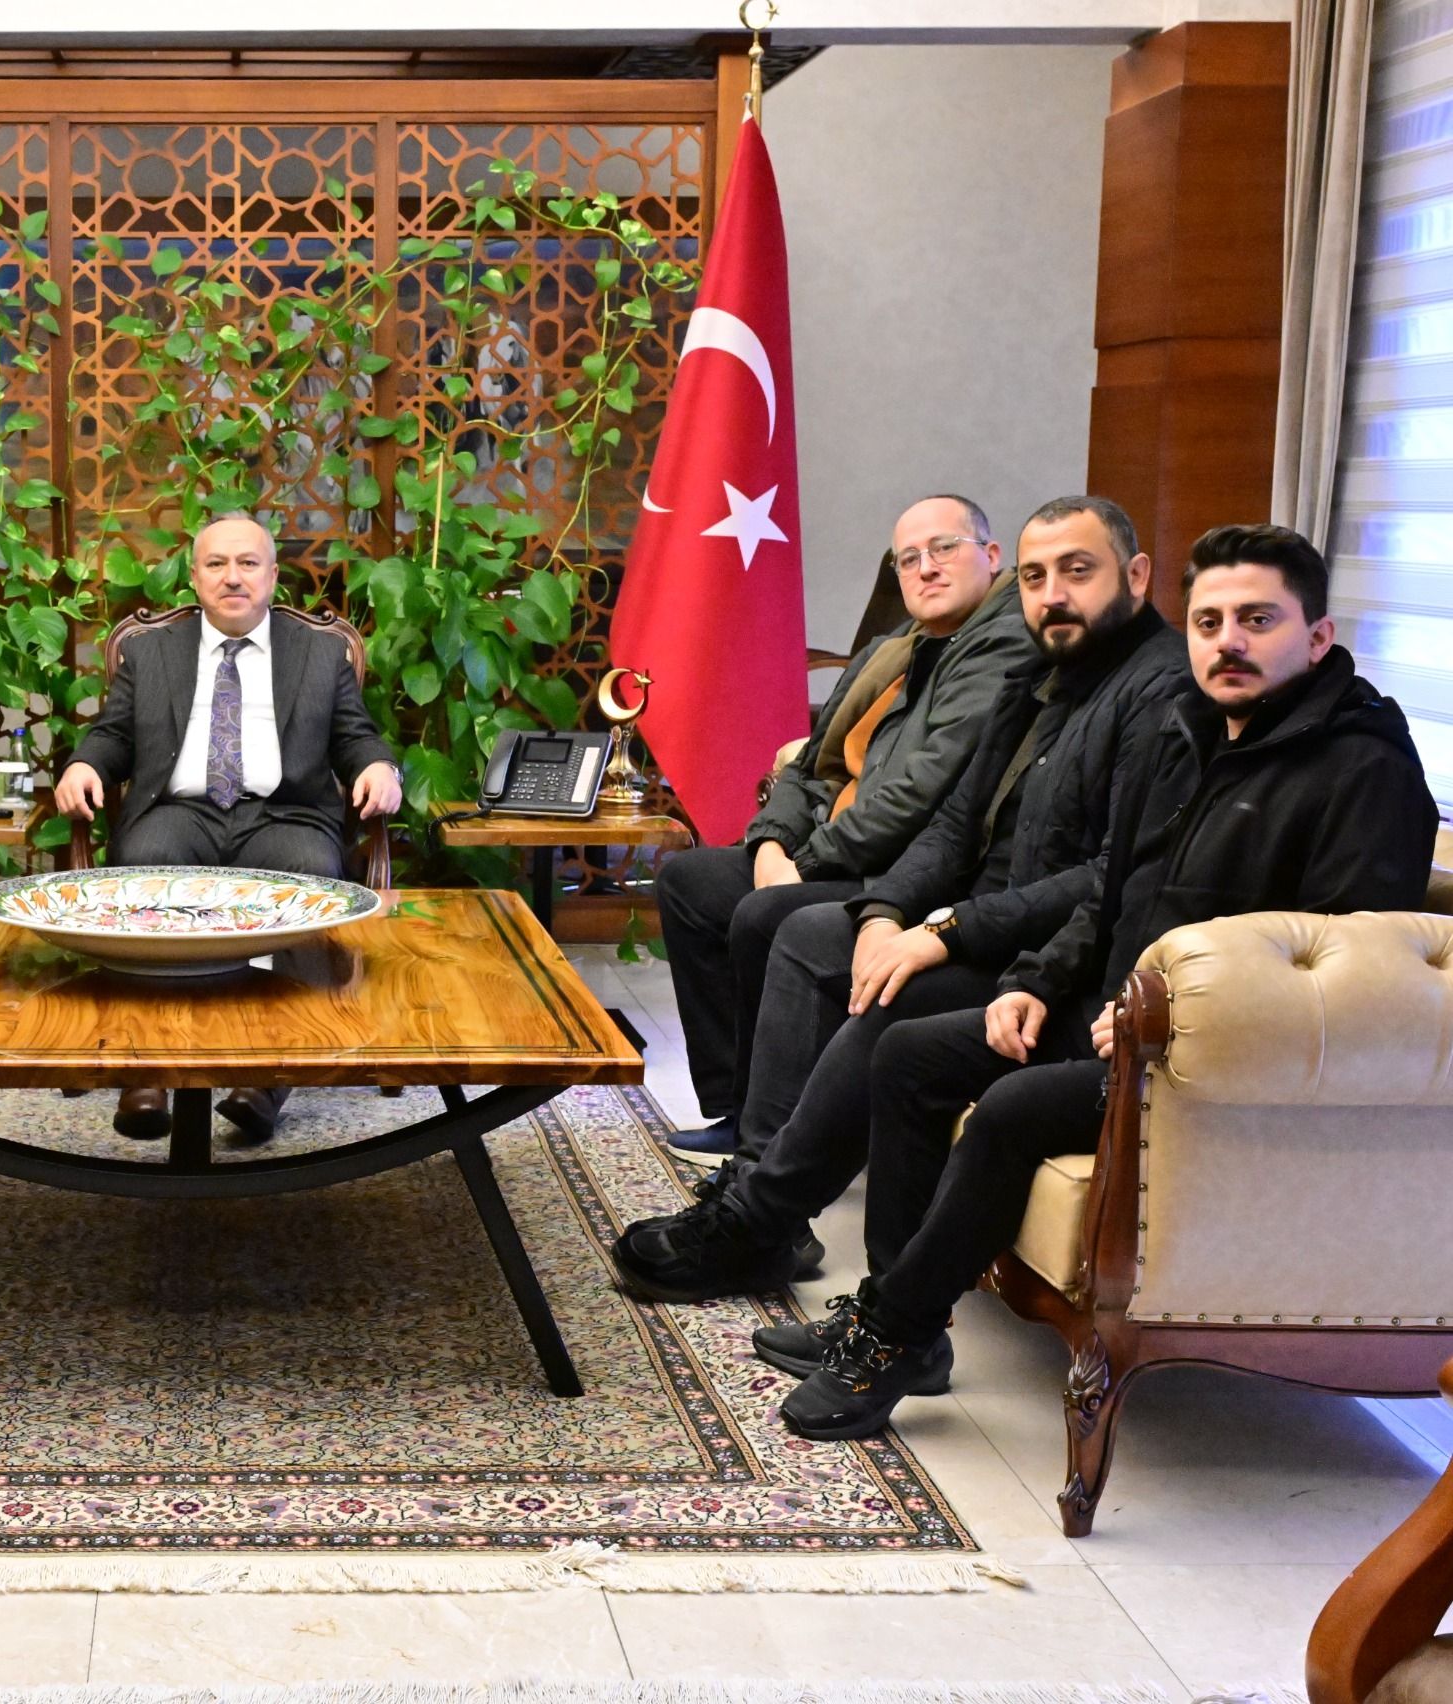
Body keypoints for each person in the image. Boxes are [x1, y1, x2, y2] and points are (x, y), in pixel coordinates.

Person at [768, 524, 1439, 1441]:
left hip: (1210, 1062)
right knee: (911, 1053)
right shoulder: (1187, 732)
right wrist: (1036, 982)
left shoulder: (1367, 771)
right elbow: (1112, 889)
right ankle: (902, 1317)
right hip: (1112, 1018)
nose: (1228, 643)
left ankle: (892, 1335)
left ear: (1318, 637)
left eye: (1258, 620)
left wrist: (1164, 1020)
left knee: (1011, 1109)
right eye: (1209, 622)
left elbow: (1335, 986)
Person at [611, 496, 1188, 1304]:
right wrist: (884, 913)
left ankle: (759, 1223)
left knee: (879, 987)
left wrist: (943, 930)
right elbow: (953, 824)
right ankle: (758, 1201)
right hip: (991, 930)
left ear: (1136, 575)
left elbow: (1107, 877)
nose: (1053, 594)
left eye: (1077, 571)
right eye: (1037, 577)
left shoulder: (1161, 692)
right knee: (831, 939)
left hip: (1061, 963)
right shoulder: (1043, 669)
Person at [655, 494, 1038, 1159]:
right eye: (908, 559)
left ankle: (781, 1135)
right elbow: (811, 762)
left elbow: (918, 797)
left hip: (900, 872)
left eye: (944, 548)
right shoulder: (894, 648)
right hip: (829, 847)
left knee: (764, 914)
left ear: (992, 555)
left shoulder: (1003, 646)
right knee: (689, 882)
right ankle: (736, 1104)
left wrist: (802, 866)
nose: (926, 568)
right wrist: (771, 843)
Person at [54, 512, 401, 1142]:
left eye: (247, 563)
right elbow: (114, 734)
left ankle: (272, 1076)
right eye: (216, 564)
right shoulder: (151, 651)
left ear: (272, 575)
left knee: (310, 873)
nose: (232, 577)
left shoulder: (319, 654)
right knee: (144, 864)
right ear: (195, 577)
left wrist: (379, 766)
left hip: (283, 812)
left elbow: (355, 735)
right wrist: (84, 764)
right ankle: (146, 1071)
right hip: (179, 811)